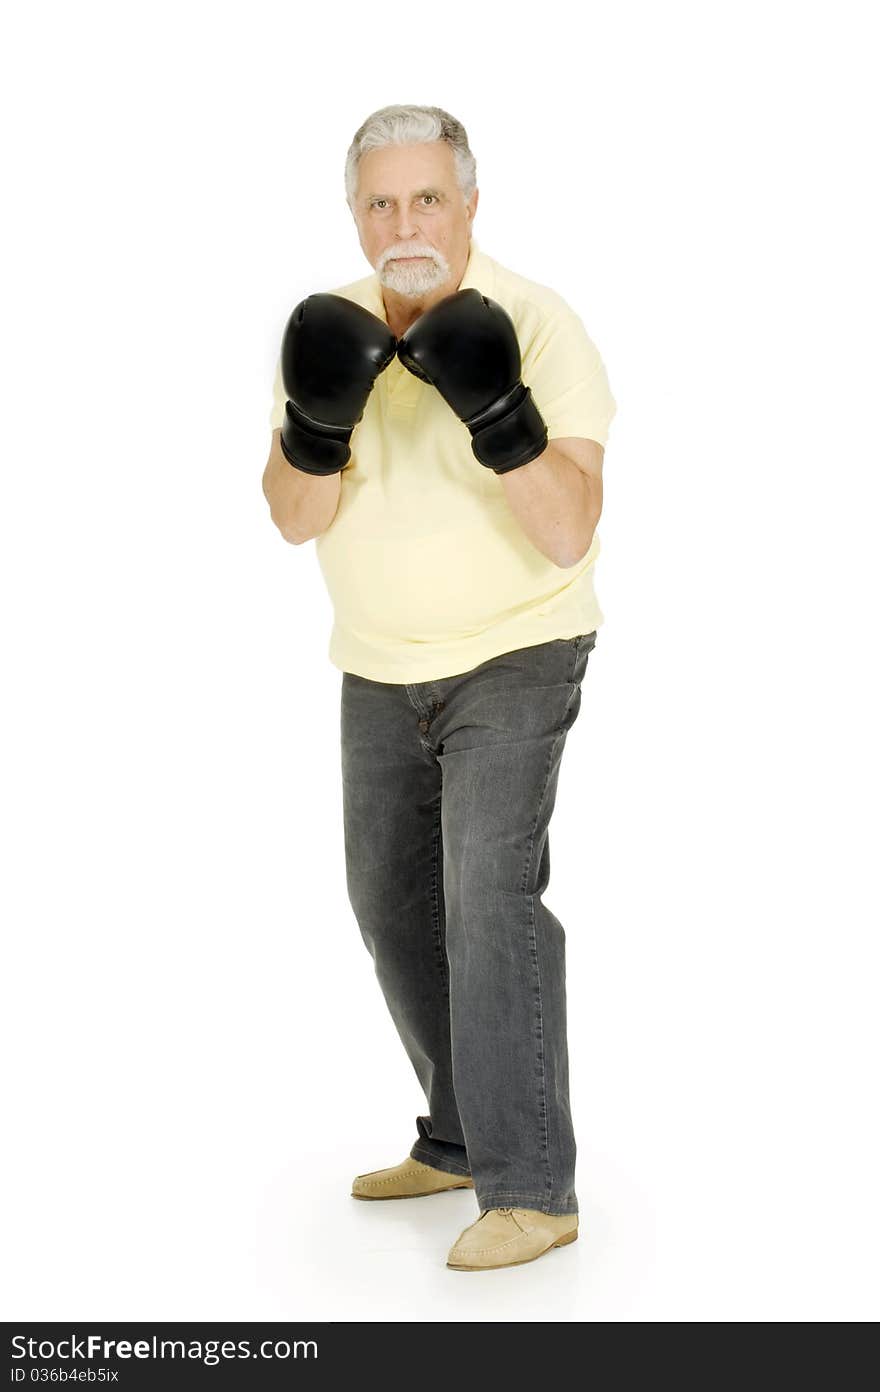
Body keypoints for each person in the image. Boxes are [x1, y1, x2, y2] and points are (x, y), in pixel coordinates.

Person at [261, 104, 617, 1272]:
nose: (402, 223)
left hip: (516, 650)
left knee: (486, 901)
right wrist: (319, 423)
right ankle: (460, 1136)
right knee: (389, 908)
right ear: (353, 212)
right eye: (379, 202)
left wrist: (499, 415)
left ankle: (533, 1187)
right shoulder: (326, 327)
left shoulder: (540, 323)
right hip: (376, 663)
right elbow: (289, 515)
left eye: (425, 199)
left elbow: (568, 533)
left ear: (469, 202)